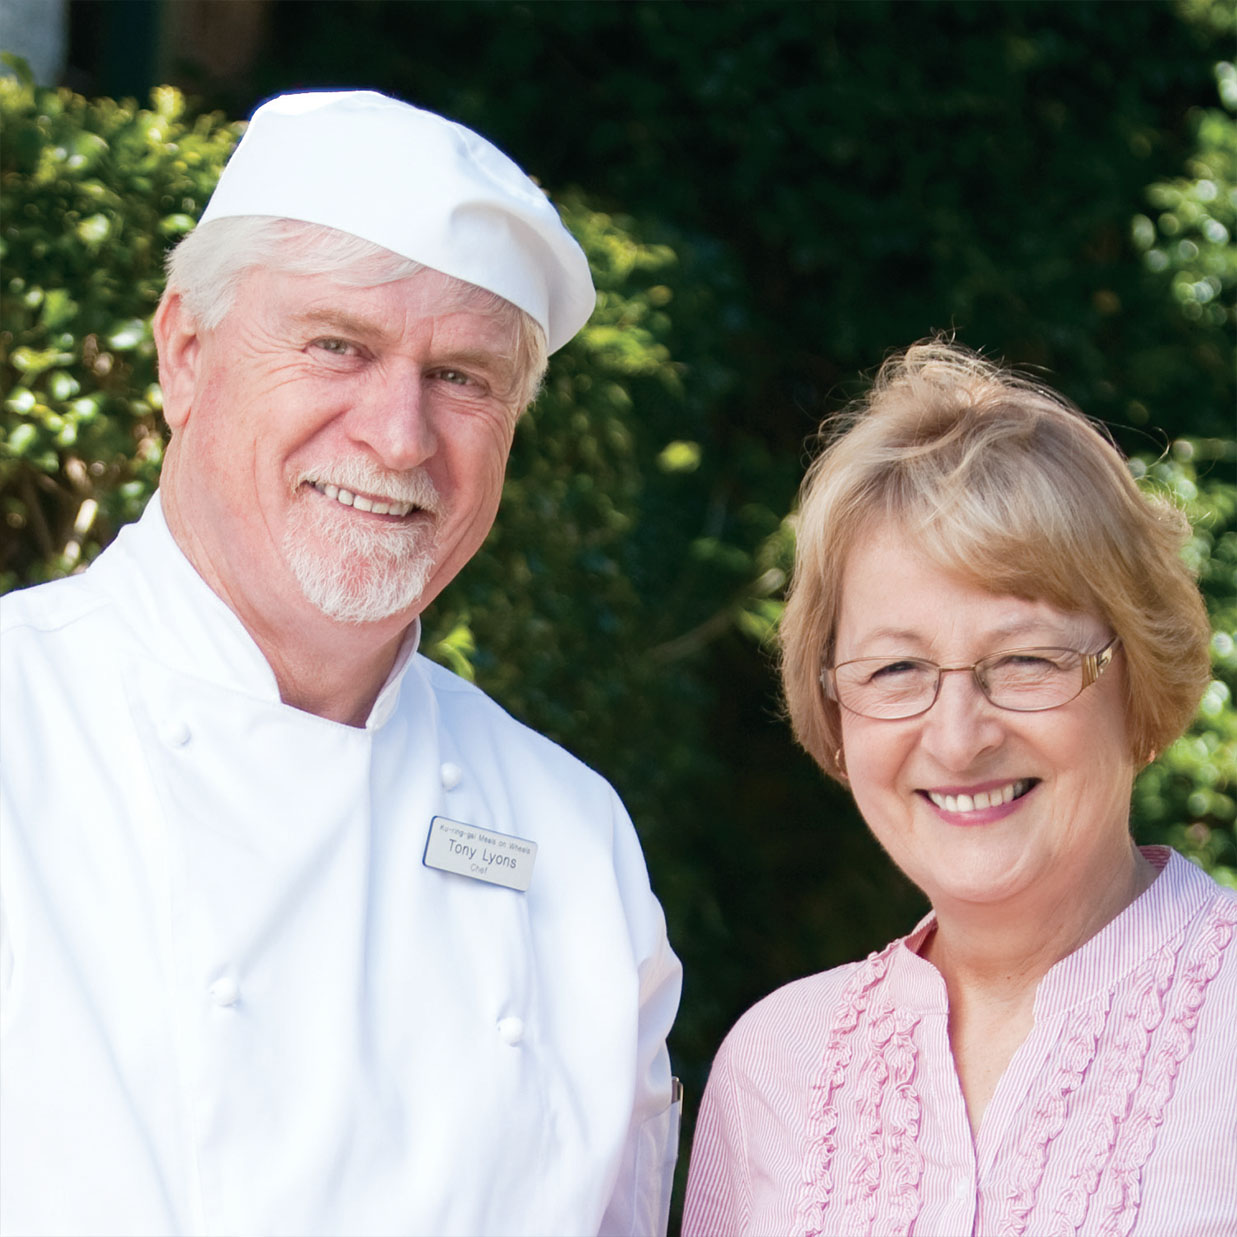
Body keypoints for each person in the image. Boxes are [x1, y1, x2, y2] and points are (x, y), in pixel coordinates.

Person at [0, 89, 681, 1237]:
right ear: (185, 352)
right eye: (337, 346)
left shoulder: (572, 840)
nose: (399, 435)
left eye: (462, 376)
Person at [683, 340, 1236, 1236]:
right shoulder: (772, 1068)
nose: (958, 734)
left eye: (1024, 660)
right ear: (834, 701)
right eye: (897, 667)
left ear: (1137, 669)